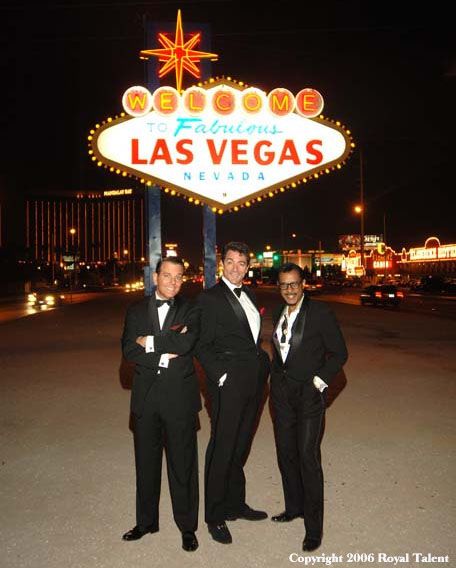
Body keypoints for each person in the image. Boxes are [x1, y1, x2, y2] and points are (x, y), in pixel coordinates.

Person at [121, 257, 201, 552]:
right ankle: (145, 522)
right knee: (146, 464)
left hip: (180, 399)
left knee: (183, 466)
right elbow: (129, 349)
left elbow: (186, 344)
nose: (173, 282)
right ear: (155, 277)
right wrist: (165, 349)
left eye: (179, 277)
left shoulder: (192, 309)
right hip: (145, 400)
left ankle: (187, 527)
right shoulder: (136, 309)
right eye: (167, 276)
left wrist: (150, 342)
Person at [195, 241, 270, 544]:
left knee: (240, 445)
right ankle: (214, 515)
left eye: (242, 262)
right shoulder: (209, 298)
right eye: (231, 261)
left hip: (253, 380)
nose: (236, 267)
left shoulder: (249, 293)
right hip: (228, 382)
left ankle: (235, 503)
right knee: (223, 446)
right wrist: (220, 376)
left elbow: (250, 338)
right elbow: (200, 343)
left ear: (248, 266)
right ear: (222, 264)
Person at [270, 263, 348, 552]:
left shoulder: (320, 313)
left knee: (307, 456)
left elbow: (340, 352)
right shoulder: (281, 312)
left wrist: (320, 380)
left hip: (309, 397)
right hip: (282, 395)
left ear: (303, 283)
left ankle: (313, 529)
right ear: (278, 286)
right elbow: (282, 352)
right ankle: (294, 508)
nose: (289, 290)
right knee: (286, 453)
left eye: (294, 284)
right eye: (283, 285)